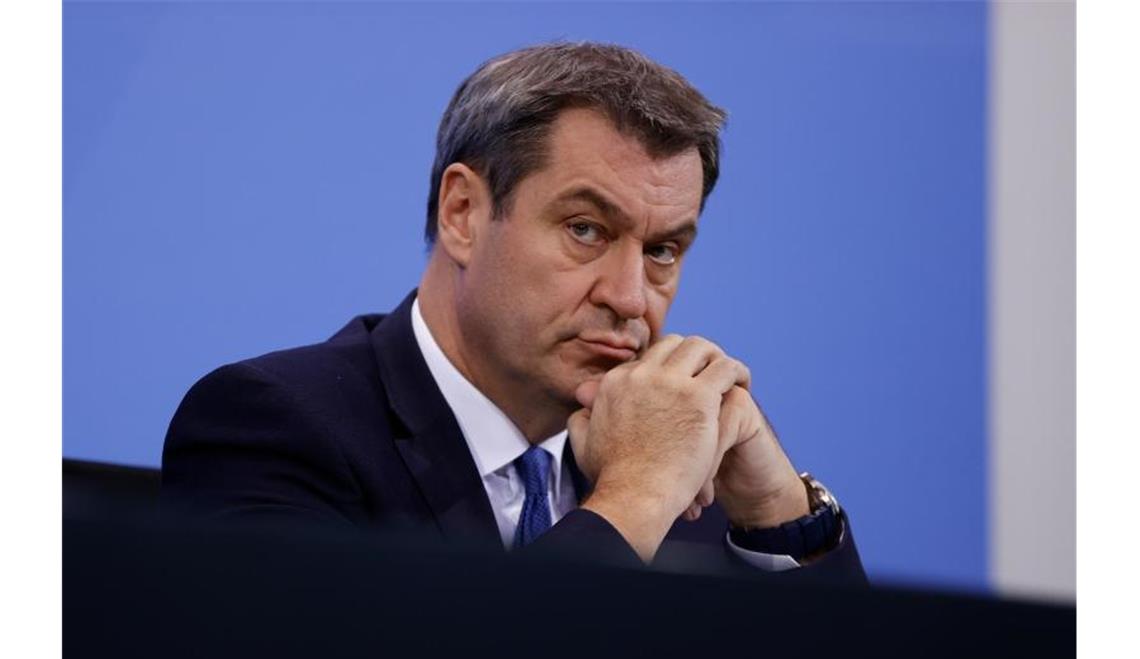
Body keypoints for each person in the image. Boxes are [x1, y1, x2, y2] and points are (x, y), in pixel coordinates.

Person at [162, 42, 866, 583]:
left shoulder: (691, 473)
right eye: (585, 230)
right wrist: (632, 500)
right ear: (464, 213)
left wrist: (779, 515)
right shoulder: (274, 429)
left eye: (662, 249)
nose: (628, 296)